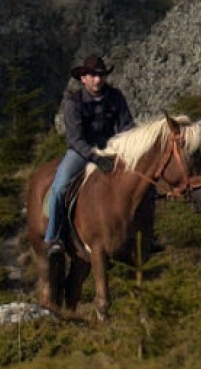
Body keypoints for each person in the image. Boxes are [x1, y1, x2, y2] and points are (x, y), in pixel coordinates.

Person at [45, 54, 135, 256]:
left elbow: (126, 125)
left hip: (111, 149)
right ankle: (54, 237)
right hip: (81, 152)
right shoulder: (73, 103)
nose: (97, 79)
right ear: (83, 78)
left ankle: (143, 235)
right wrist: (95, 157)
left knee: (142, 183)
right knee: (59, 187)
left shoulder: (116, 97)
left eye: (100, 75)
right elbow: (75, 140)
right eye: (92, 75)